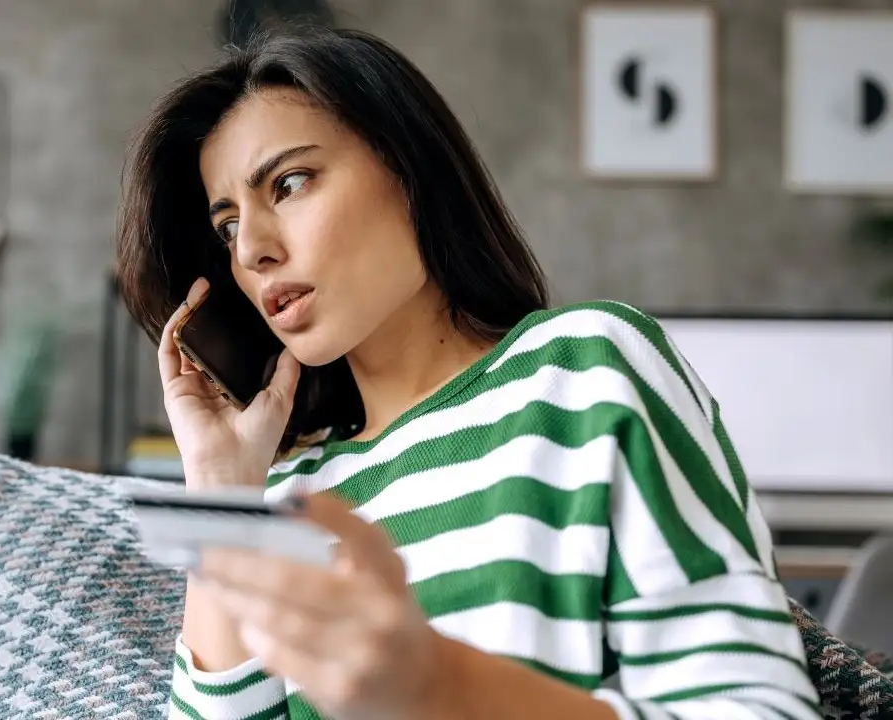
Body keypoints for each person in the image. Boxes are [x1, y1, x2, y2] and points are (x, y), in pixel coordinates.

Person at [115, 26, 821, 720]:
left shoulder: (585, 370)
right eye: (228, 226)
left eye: (291, 183)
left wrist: (441, 687)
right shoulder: (289, 493)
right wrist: (221, 488)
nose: (254, 251)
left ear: (412, 173)